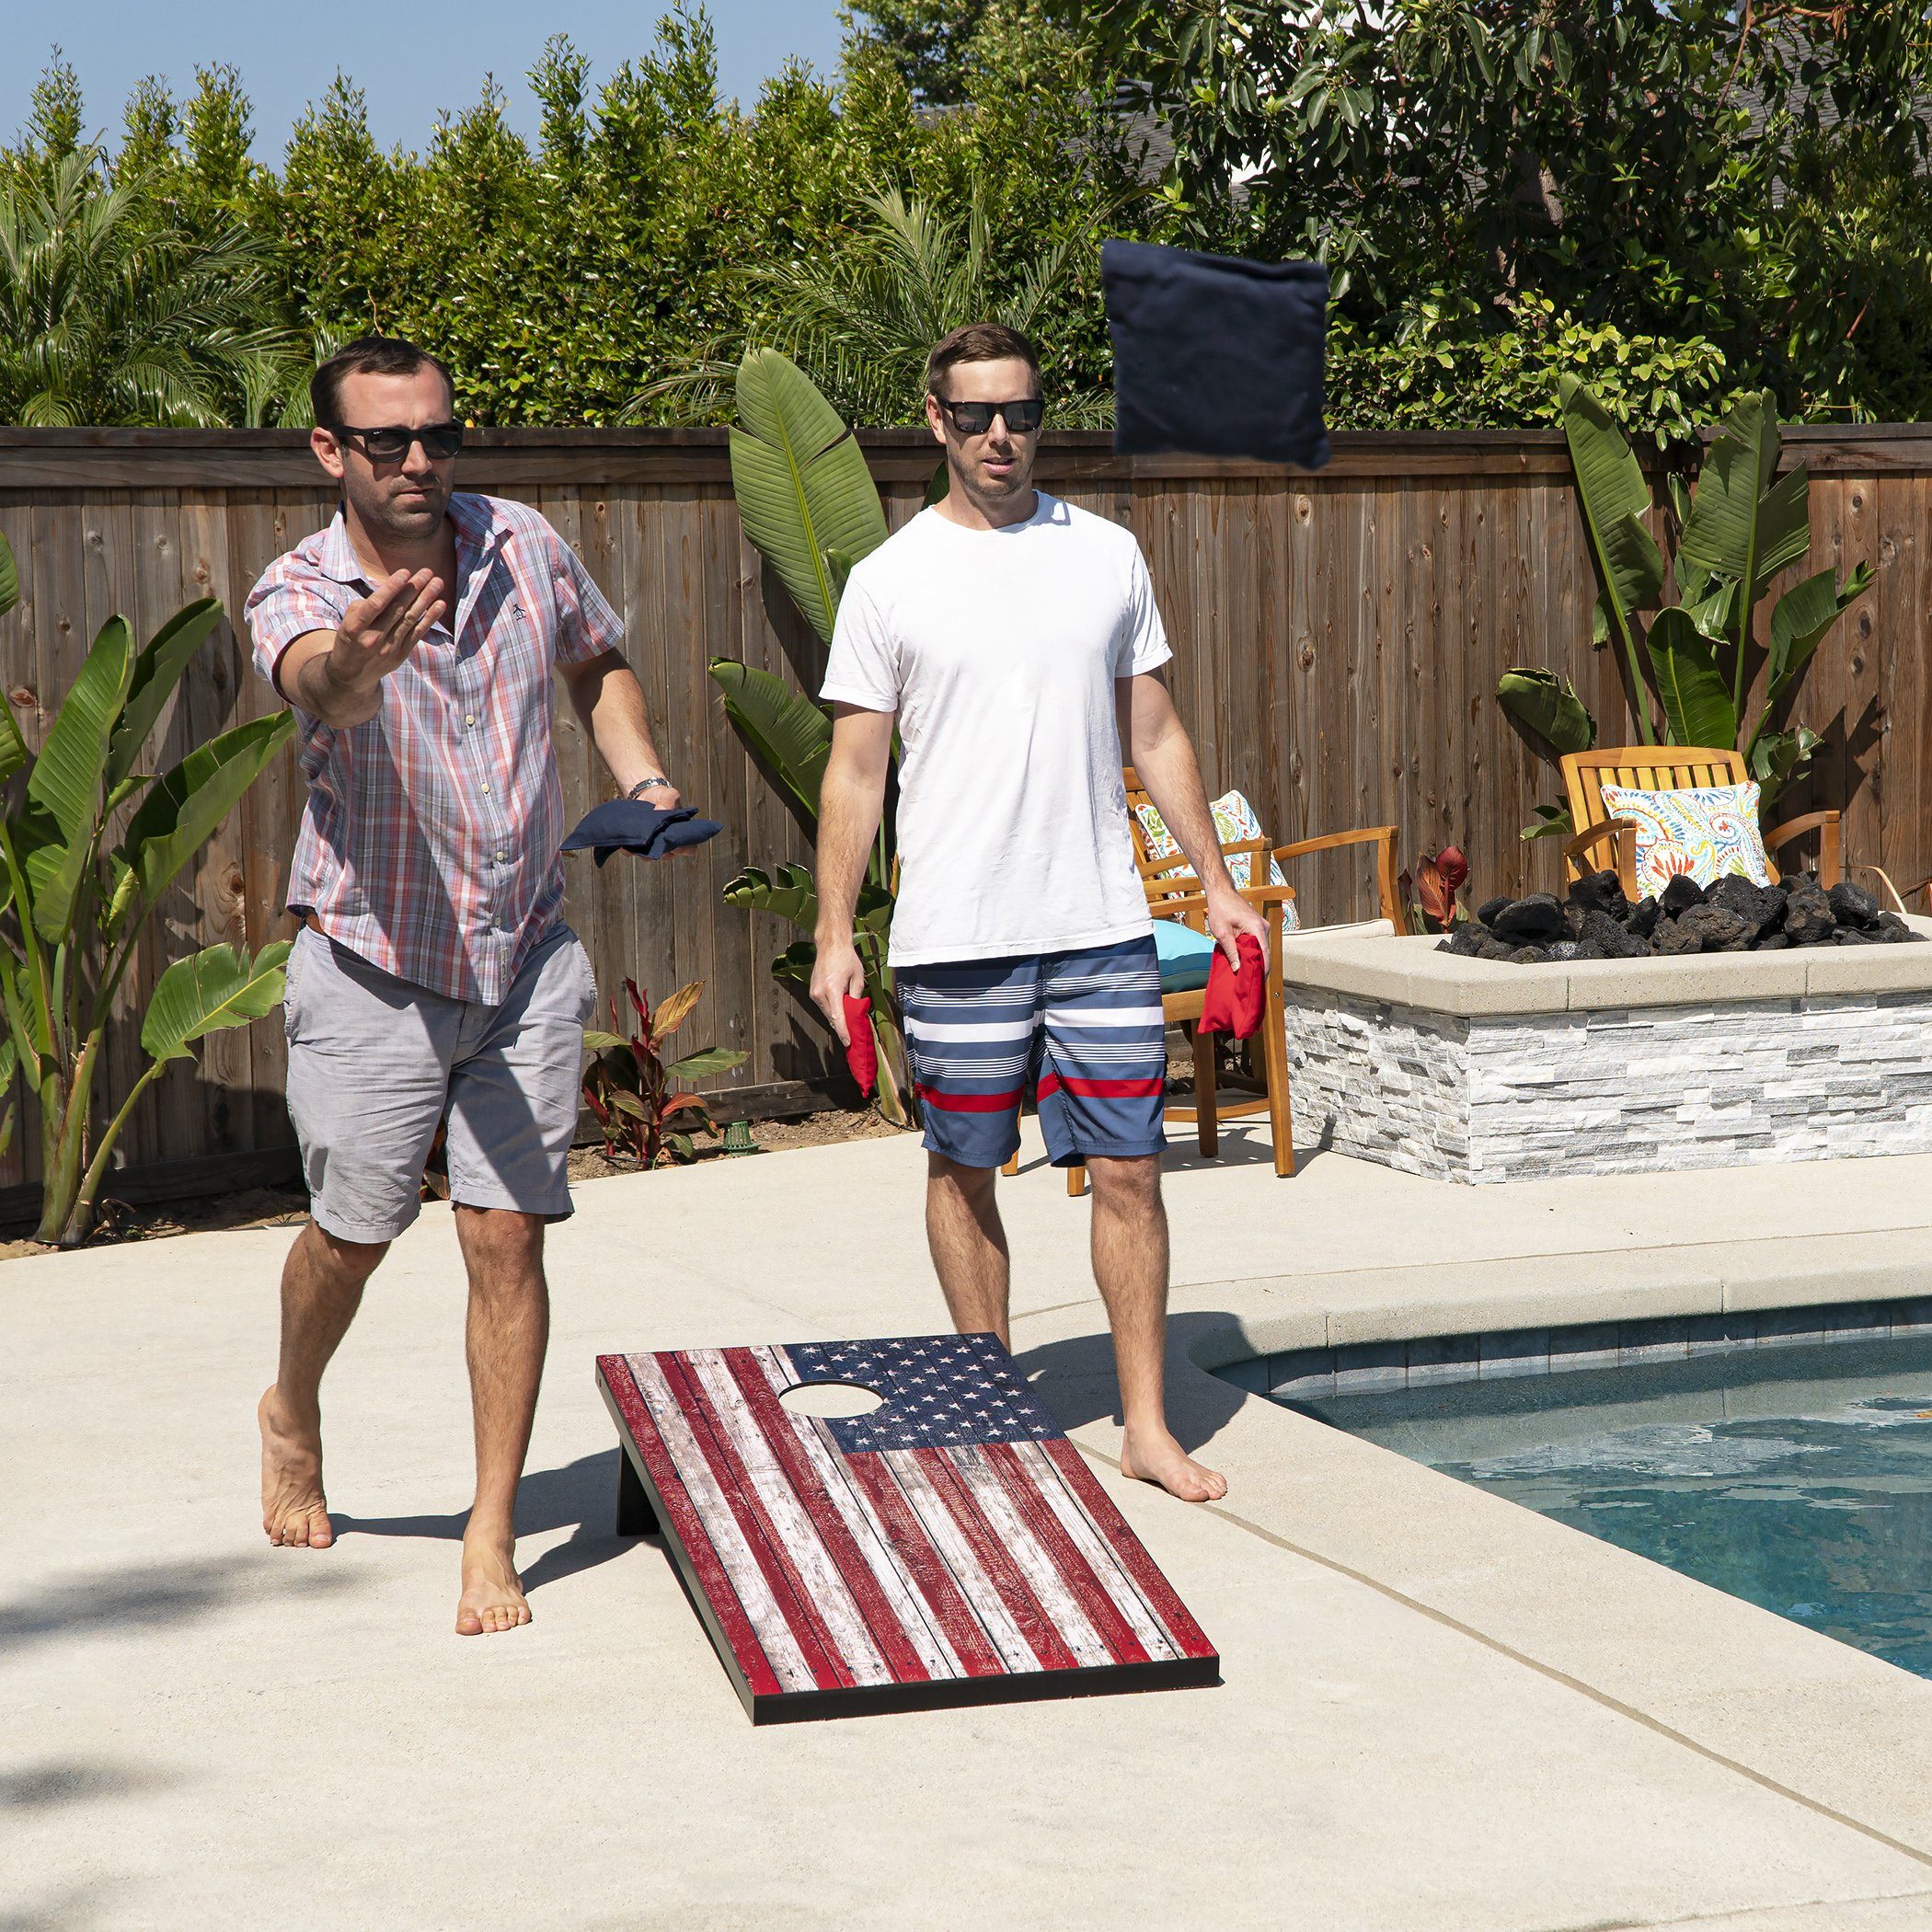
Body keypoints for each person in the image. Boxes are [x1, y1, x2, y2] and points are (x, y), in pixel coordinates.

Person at [244, 336, 679, 1634]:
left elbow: (597, 658)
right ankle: (291, 1404)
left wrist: (641, 773)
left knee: (507, 1237)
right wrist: (358, 662)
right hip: (373, 963)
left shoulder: (522, 545)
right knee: (355, 1235)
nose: (421, 459)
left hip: (526, 952)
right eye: (389, 441)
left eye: (438, 433)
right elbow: (315, 680)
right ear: (332, 450)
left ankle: (489, 1530)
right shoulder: (298, 588)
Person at [810, 322, 1268, 1503]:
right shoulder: (890, 578)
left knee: (1130, 1173)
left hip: (1099, 926)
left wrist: (1215, 886)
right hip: (955, 938)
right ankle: (993, 1412)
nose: (999, 434)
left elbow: (1153, 730)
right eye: (975, 415)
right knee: (965, 1168)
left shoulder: (1105, 554)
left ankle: (1149, 1427)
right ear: (936, 421)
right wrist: (830, 937)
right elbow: (856, 770)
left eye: (1018, 412)